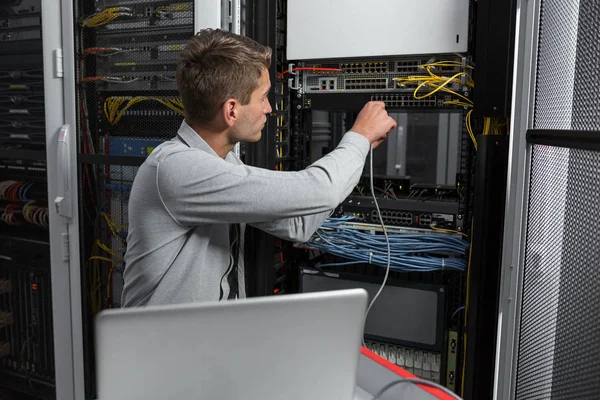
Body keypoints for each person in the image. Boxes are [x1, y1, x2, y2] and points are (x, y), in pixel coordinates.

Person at [121, 29, 396, 307]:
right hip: (160, 347)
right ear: (231, 111)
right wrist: (359, 136)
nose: (270, 108)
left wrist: (359, 151)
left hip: (204, 340)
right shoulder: (176, 169)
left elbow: (297, 225)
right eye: (263, 97)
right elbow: (321, 191)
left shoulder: (222, 164)